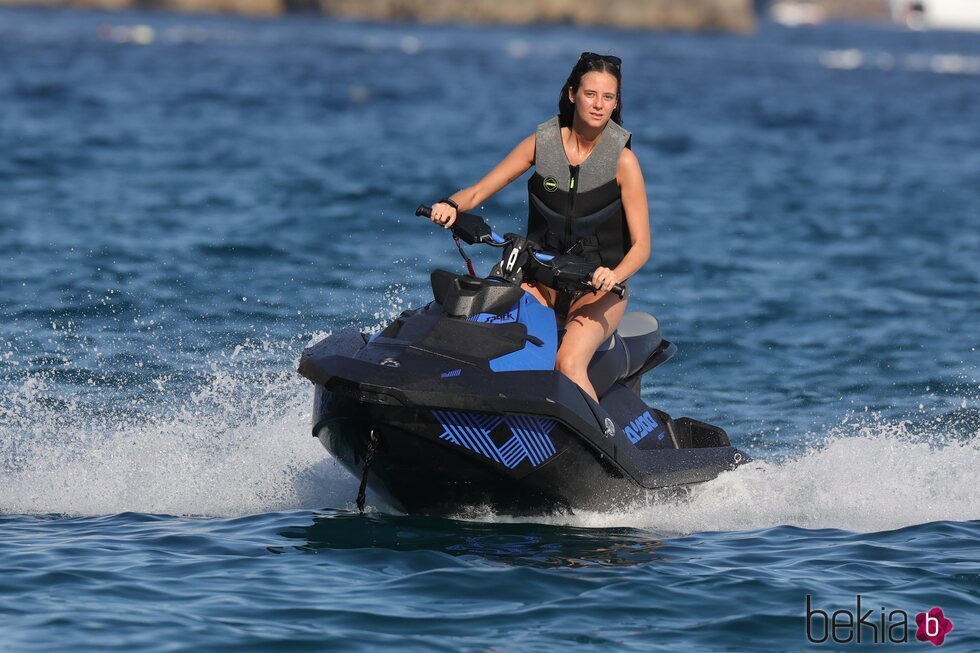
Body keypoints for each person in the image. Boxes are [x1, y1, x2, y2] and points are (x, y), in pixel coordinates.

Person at [428, 52, 651, 402]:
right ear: (573, 93)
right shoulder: (542, 144)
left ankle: (601, 445)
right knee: (498, 343)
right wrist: (451, 205)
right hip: (539, 278)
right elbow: (478, 190)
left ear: (616, 103)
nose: (598, 105)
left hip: (595, 289)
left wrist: (614, 275)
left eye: (608, 97)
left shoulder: (624, 162)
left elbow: (641, 246)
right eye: (591, 94)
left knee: (567, 363)